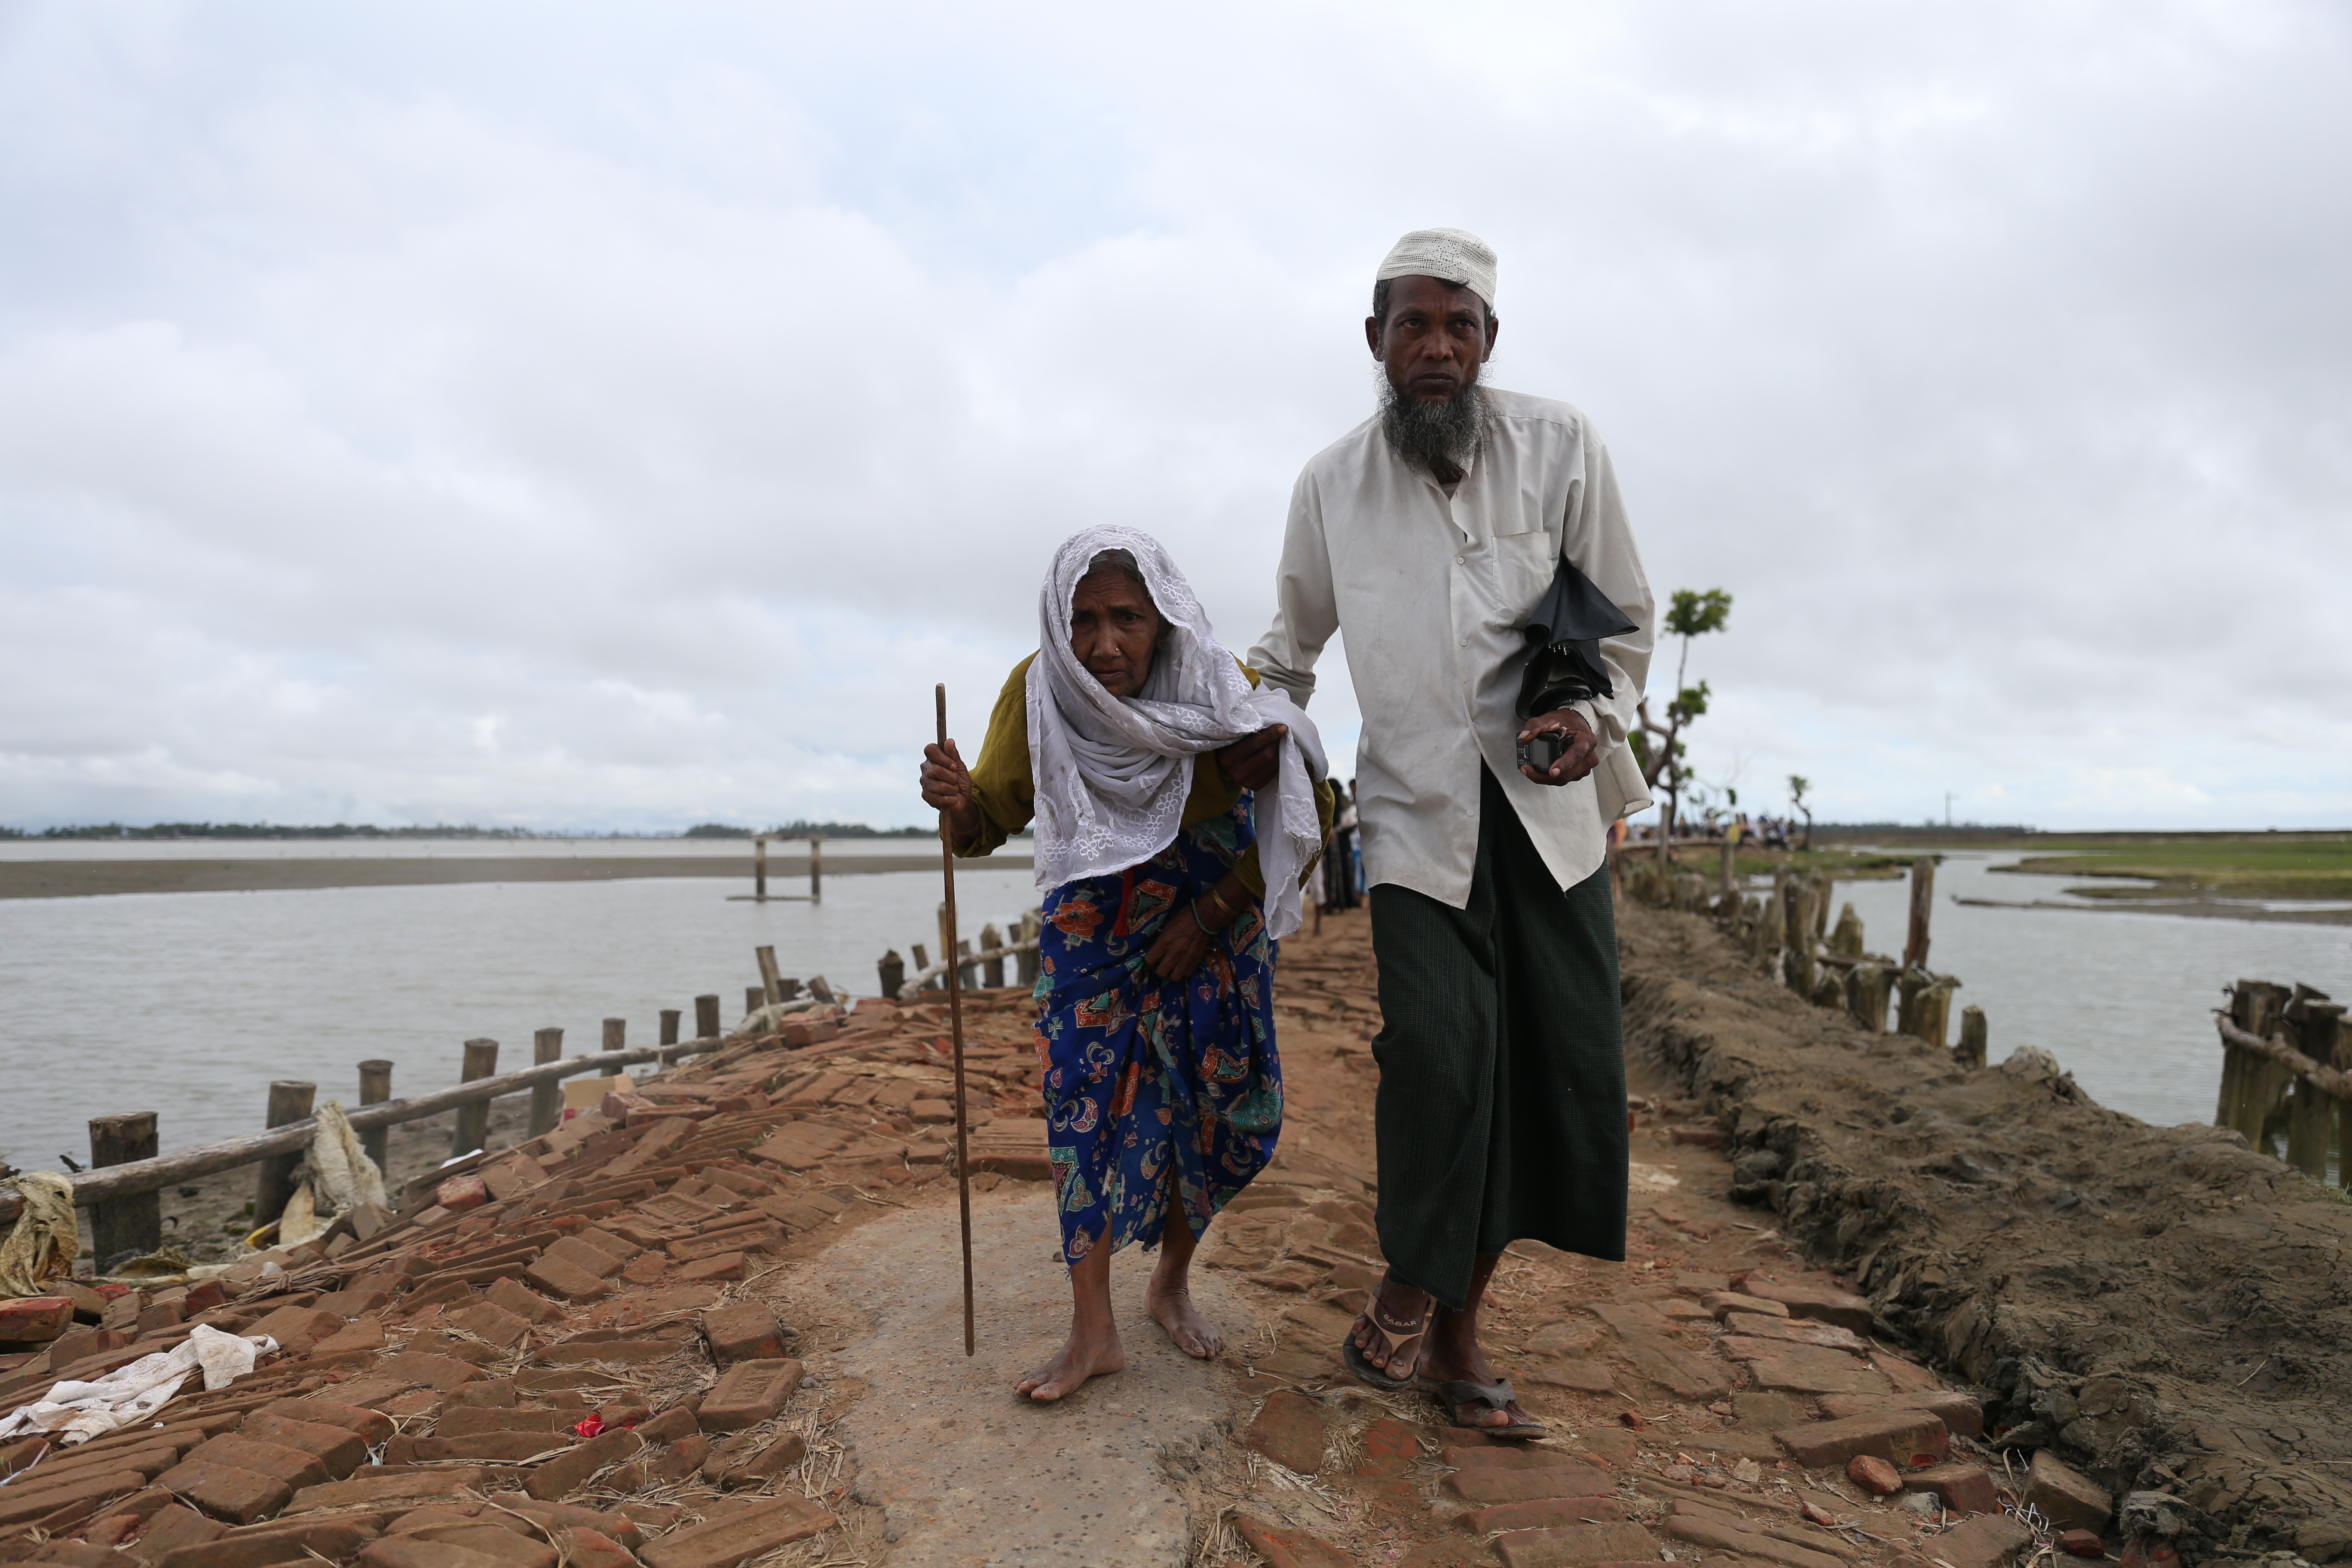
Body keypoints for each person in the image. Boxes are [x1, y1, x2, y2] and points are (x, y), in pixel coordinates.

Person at [1246, 227, 1656, 1438]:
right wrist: (1203, 722)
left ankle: (1458, 1328)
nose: (1437, 347)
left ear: (1490, 339)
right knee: (1437, 1054)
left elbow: (1621, 621)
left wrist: (1586, 717)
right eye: (1413, 325)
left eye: (1458, 325)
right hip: (1414, 818)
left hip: (1551, 818)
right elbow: (1287, 654)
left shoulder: (1562, 444)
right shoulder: (1331, 485)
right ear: (1375, 340)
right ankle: (1412, 1274)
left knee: (1549, 1069)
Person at [919, 526, 1333, 1403]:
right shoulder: (1039, 693)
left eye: (1126, 620)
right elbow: (986, 821)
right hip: (1093, 929)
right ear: (1057, 624)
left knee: (1230, 1108)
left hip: (1216, 916)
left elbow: (1312, 810)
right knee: (1082, 1106)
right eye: (1083, 621)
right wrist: (957, 804)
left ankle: (1171, 1280)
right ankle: (1092, 1329)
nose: (1103, 644)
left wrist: (1209, 917)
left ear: (1165, 621)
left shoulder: (1221, 687)